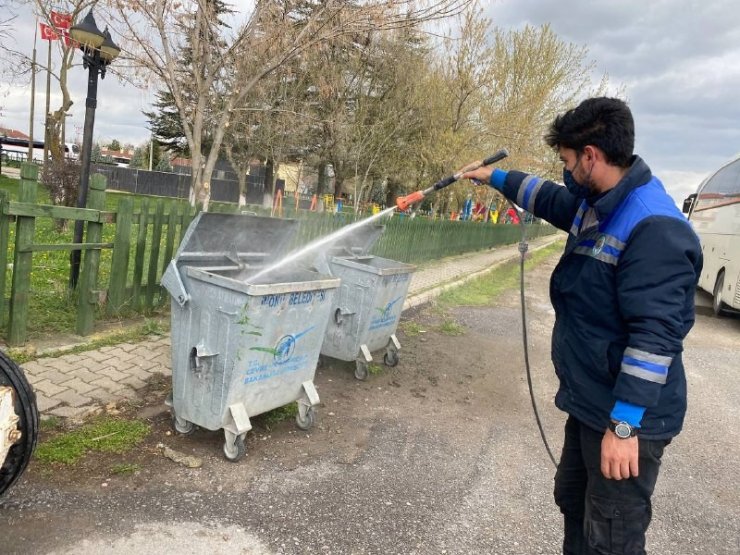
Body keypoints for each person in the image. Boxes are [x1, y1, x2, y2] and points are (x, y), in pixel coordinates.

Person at [461, 97, 702, 555]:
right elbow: (547, 197)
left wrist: (626, 427)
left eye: (568, 162)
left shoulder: (654, 227)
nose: (566, 173)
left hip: (628, 418)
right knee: (573, 500)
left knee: (612, 537)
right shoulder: (598, 201)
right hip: (593, 402)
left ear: (591, 156)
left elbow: (656, 339)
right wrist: (491, 176)